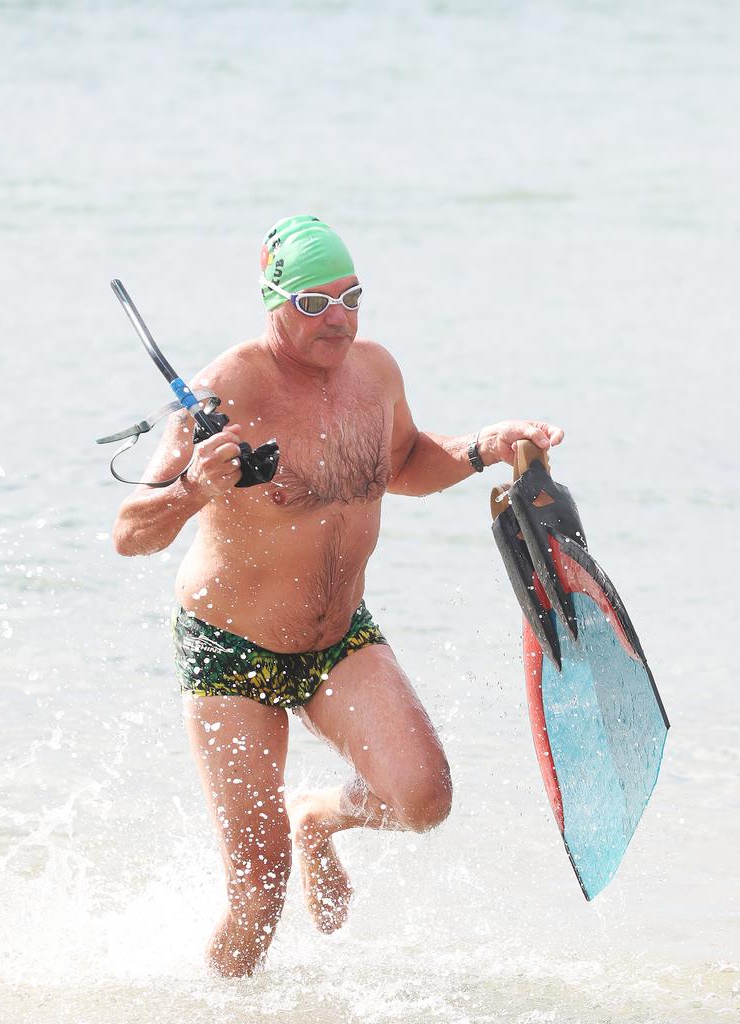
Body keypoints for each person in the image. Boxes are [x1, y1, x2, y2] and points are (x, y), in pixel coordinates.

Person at [111, 214, 564, 976]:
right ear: (274, 302)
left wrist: (486, 445)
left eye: (351, 296)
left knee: (423, 799)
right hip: (230, 653)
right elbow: (129, 532)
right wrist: (192, 489)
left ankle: (315, 819)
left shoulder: (375, 374)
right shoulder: (225, 390)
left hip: (337, 638)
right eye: (317, 303)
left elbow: (408, 464)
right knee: (259, 898)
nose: (341, 318)